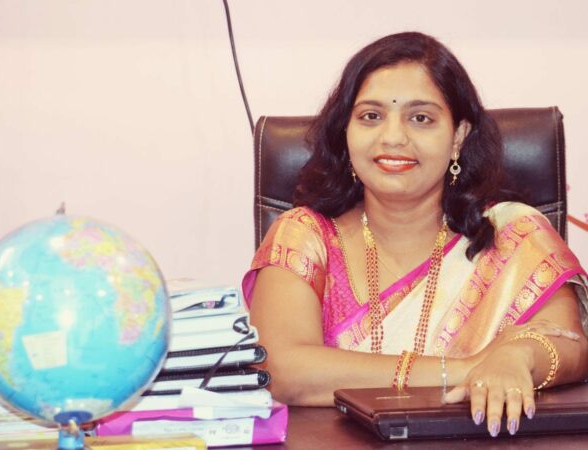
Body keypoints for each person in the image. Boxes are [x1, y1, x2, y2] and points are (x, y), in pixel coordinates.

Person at [242, 32, 588, 438]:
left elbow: (570, 344)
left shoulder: (512, 233)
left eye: (420, 118)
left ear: (458, 136)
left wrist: (518, 356)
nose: (393, 137)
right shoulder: (305, 235)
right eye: (371, 116)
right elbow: (281, 369)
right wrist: (465, 369)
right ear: (345, 132)